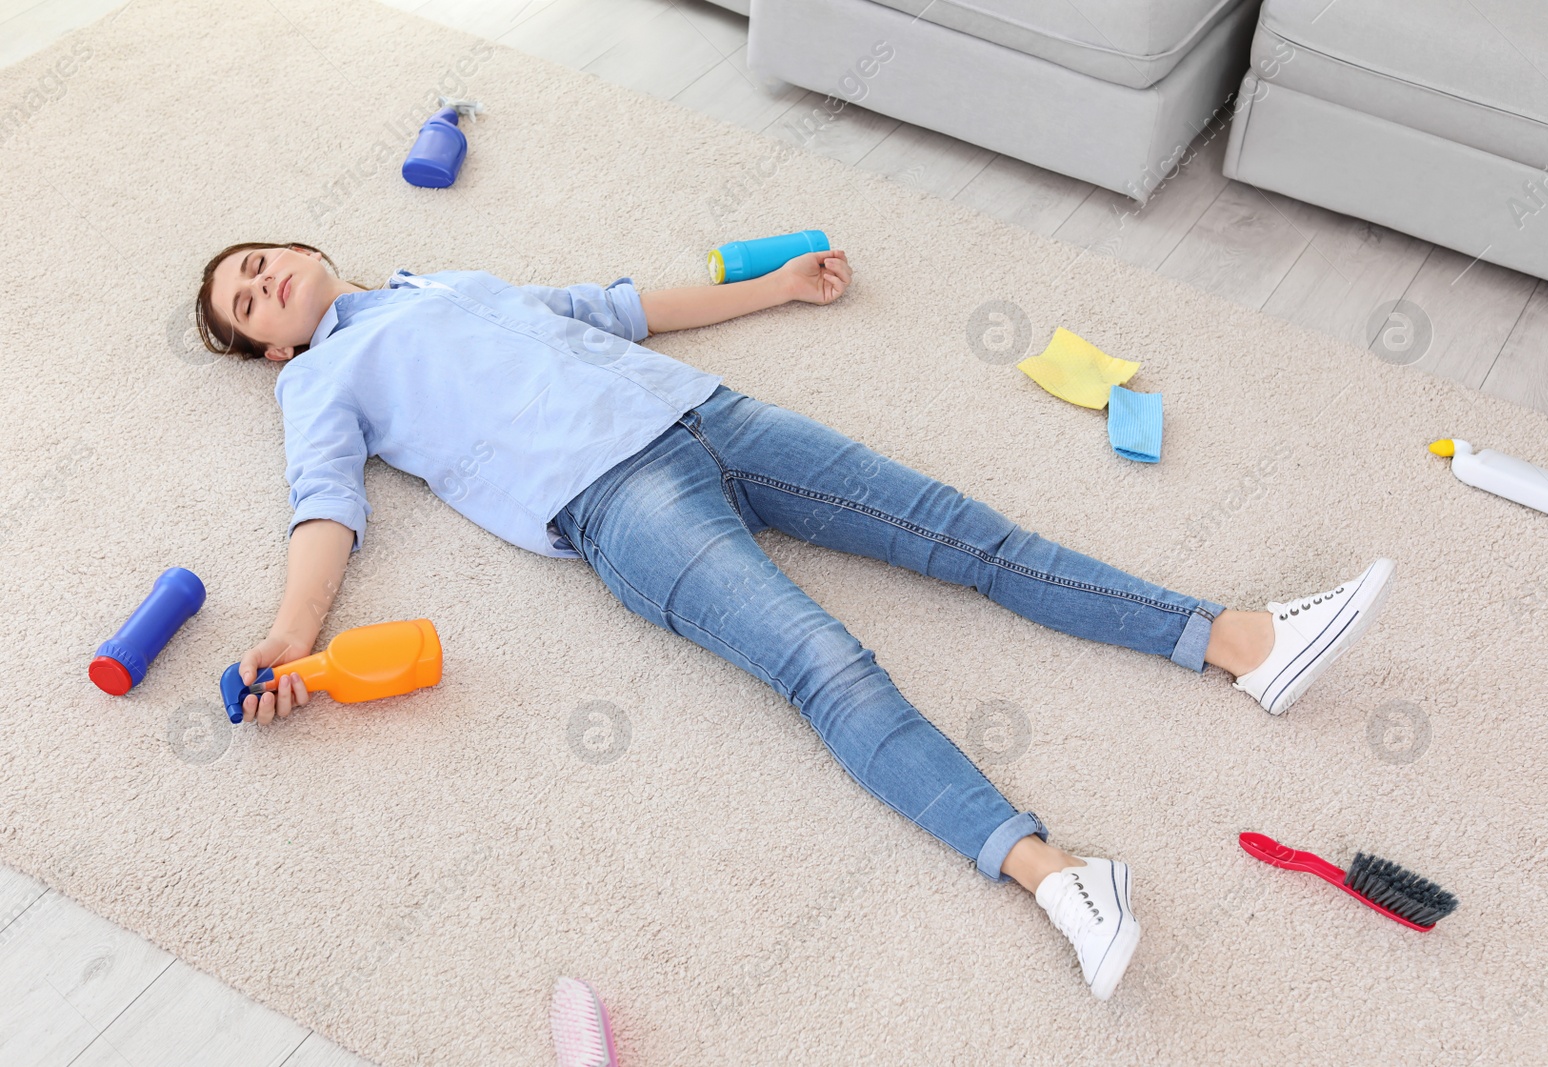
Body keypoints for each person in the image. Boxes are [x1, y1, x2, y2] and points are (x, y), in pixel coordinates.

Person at [196, 242, 1395, 1001]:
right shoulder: (318, 383)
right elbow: (326, 507)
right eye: (247, 305)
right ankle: (1055, 872)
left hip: (716, 413)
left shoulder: (442, 281)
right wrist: (295, 631)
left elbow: (613, 306)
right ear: (275, 348)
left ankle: (1243, 641)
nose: (262, 284)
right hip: (618, 504)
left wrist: (767, 287)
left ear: (309, 248)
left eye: (258, 261)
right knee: (827, 666)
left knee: (972, 537)